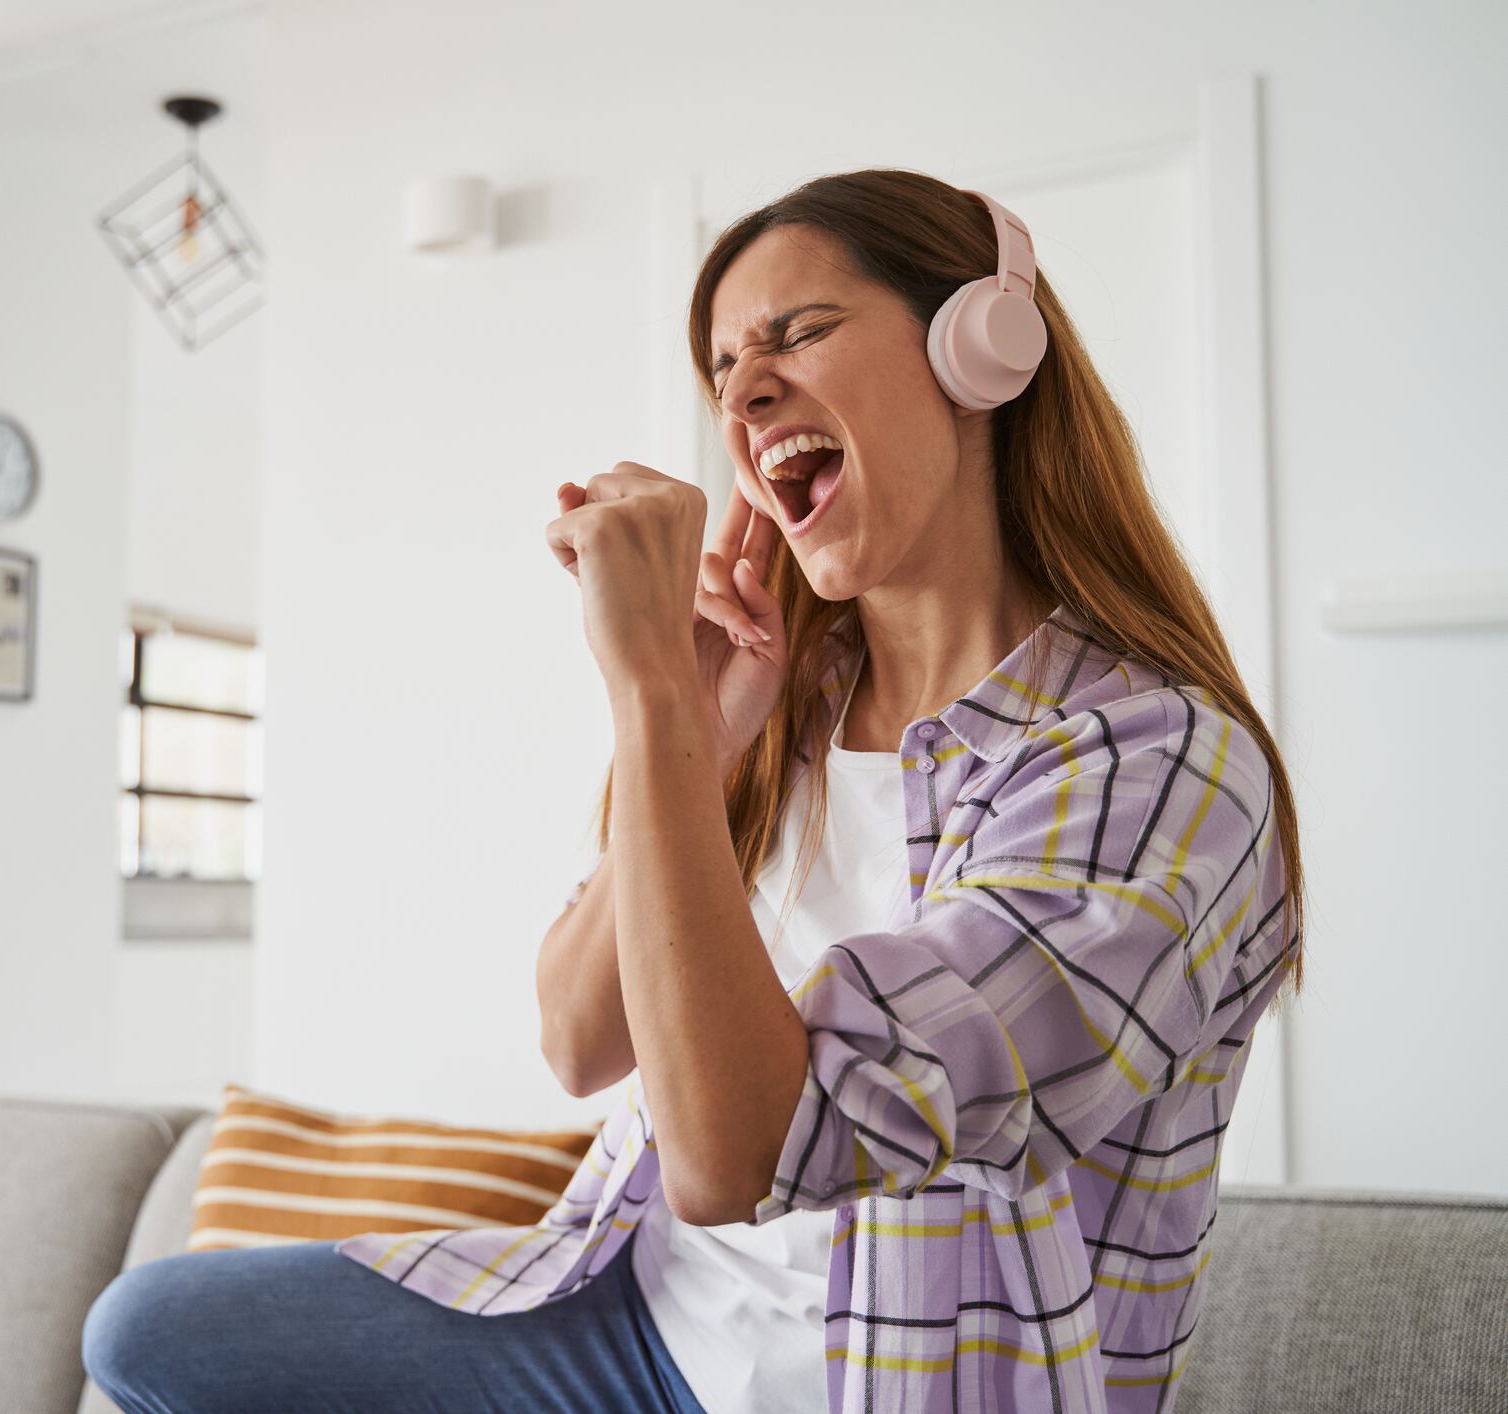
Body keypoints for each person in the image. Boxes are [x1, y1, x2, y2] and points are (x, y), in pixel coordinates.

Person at [82, 167, 1306, 1414]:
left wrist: (650, 691)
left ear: (983, 348)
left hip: (878, 1391)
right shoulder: (796, 701)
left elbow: (741, 1152)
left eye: (799, 333)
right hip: (643, 1331)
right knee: (155, 1332)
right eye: (724, 369)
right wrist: (702, 734)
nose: (744, 393)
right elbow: (576, 1036)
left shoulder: (1154, 765)